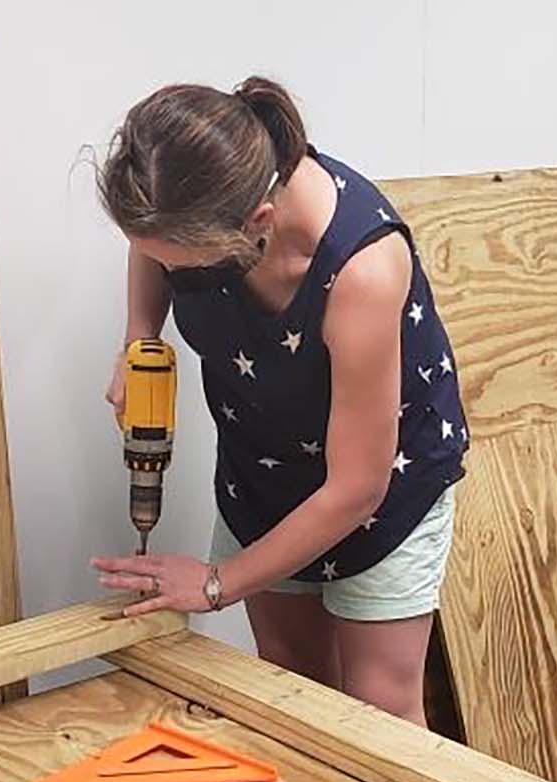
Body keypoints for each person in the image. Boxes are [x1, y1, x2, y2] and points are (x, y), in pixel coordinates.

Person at [90, 77, 467, 727]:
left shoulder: (362, 267)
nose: (167, 269)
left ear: (257, 224)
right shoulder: (190, 185)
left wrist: (215, 584)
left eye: (184, 262)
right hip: (263, 463)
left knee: (380, 707)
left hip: (383, 487)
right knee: (291, 684)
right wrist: (137, 337)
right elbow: (151, 243)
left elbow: (356, 489)